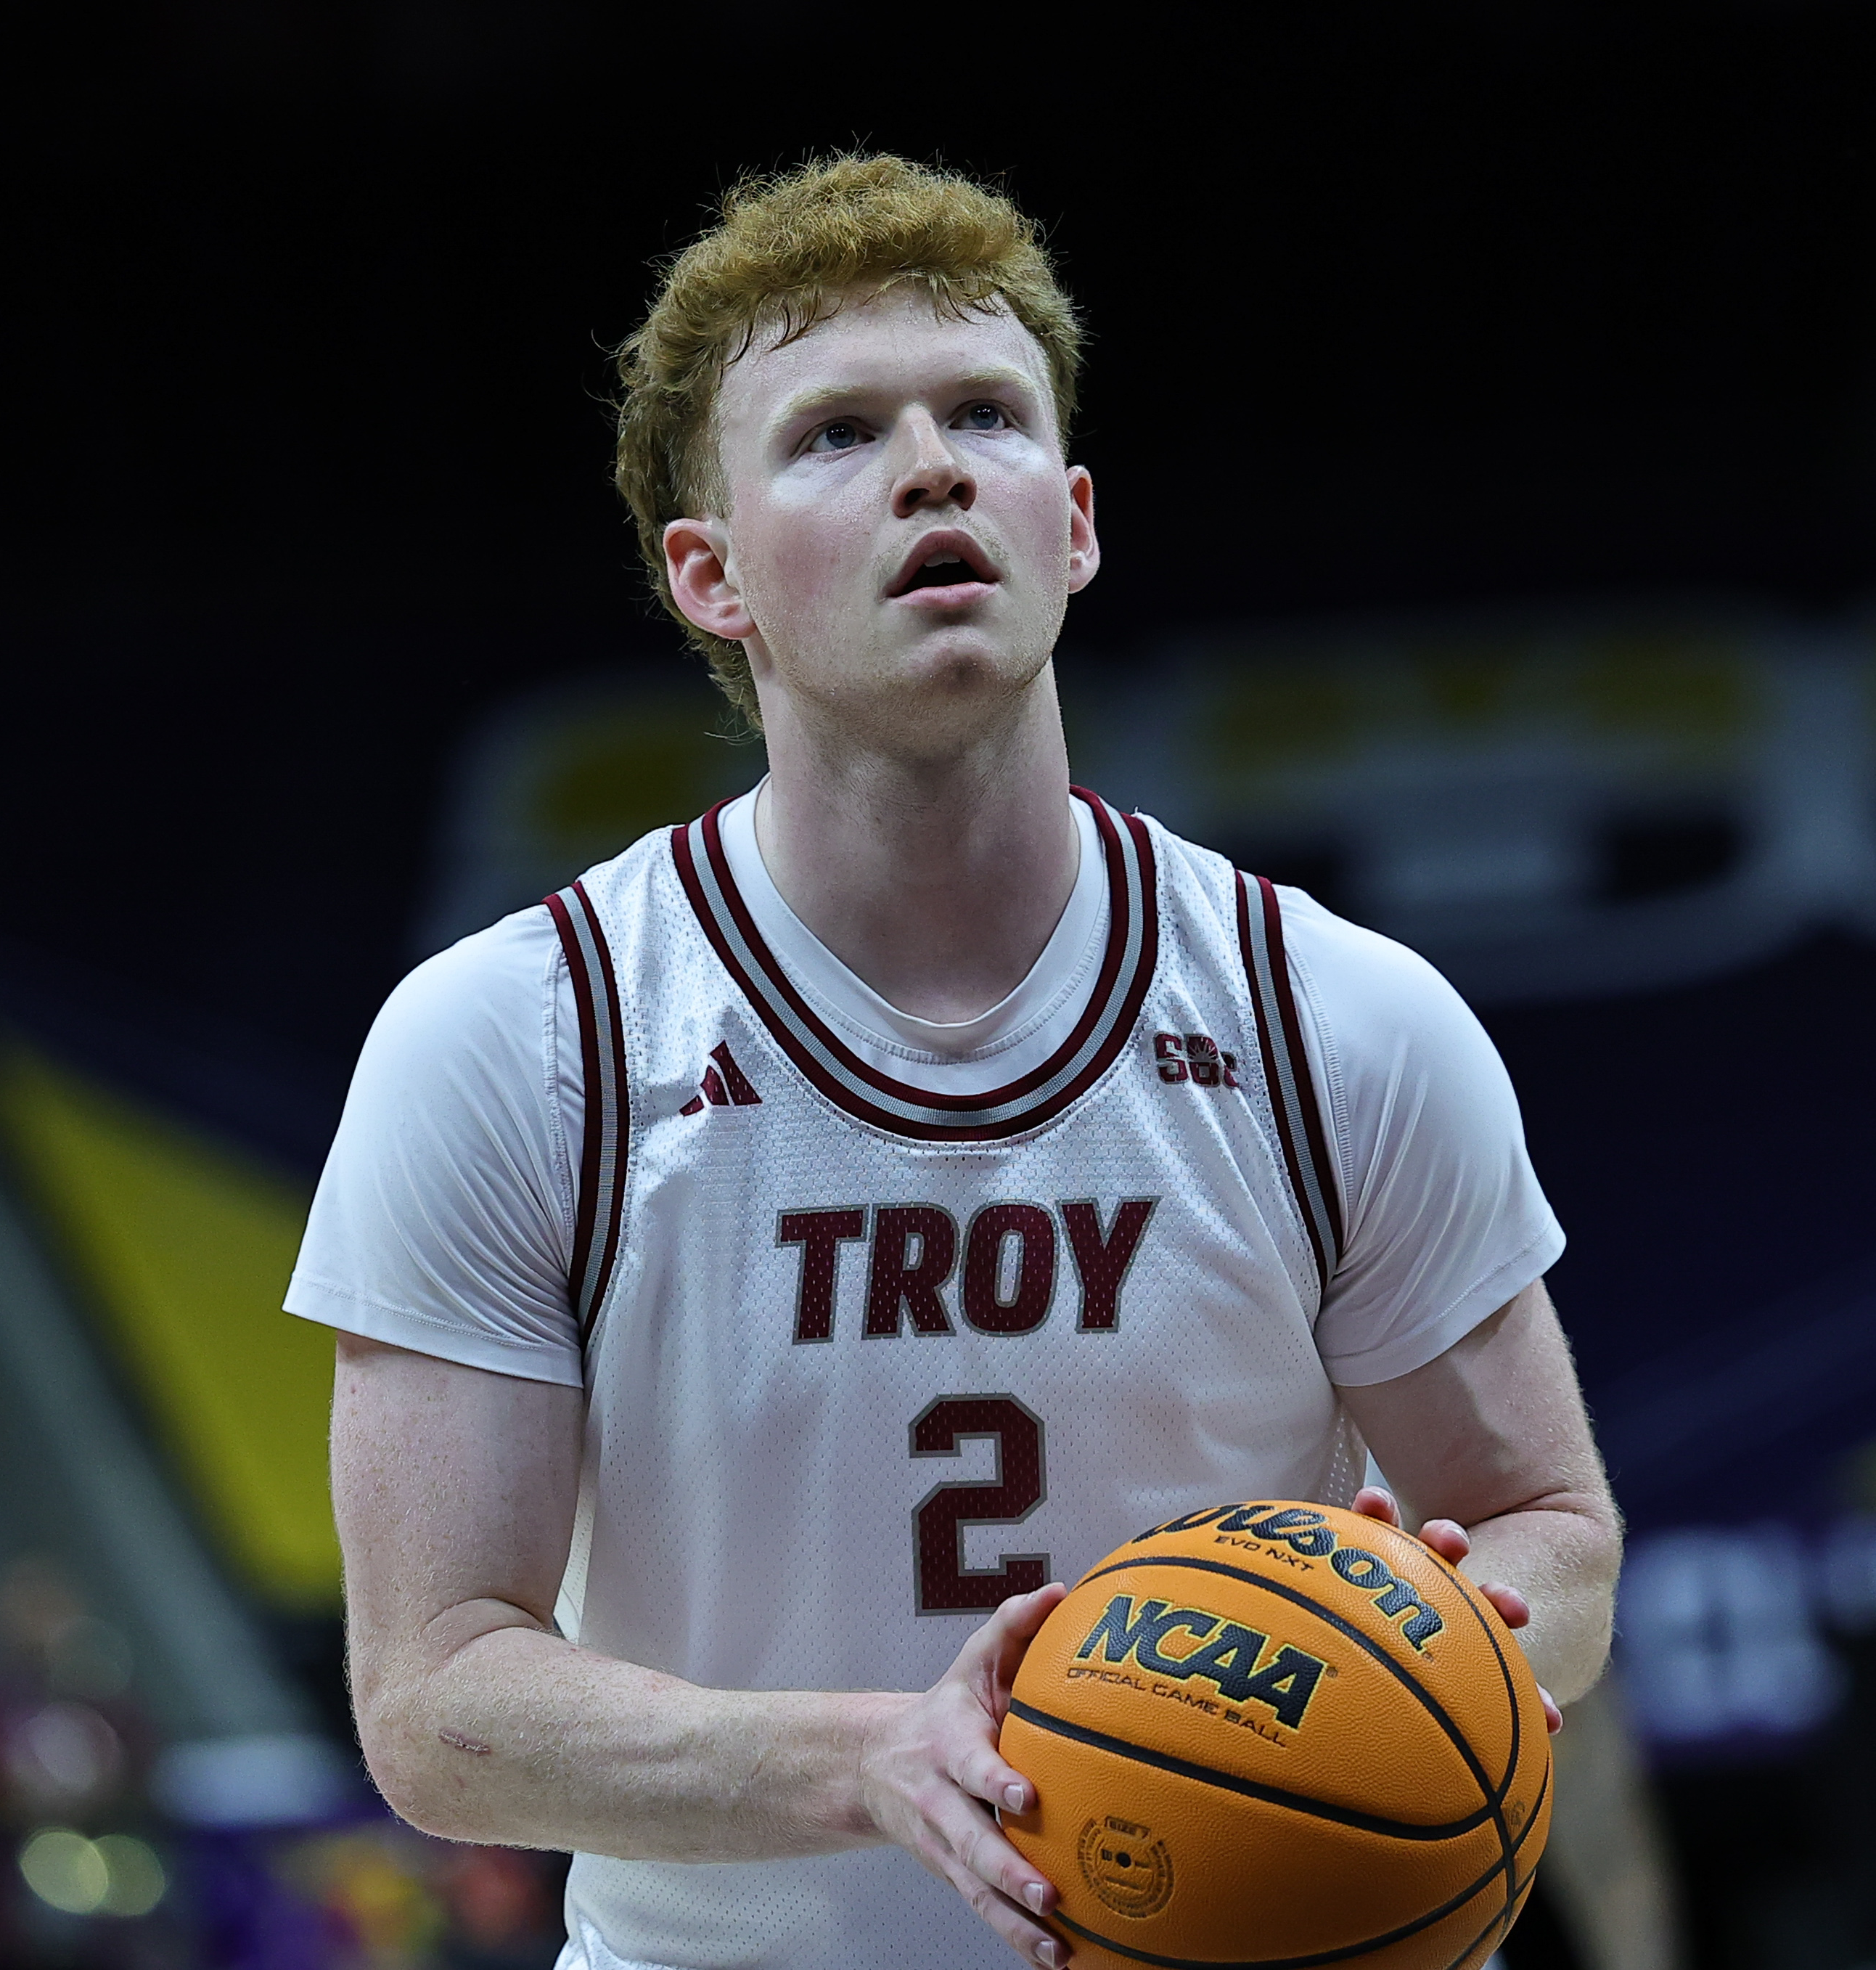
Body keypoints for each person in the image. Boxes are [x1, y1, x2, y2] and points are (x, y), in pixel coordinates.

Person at [289, 154, 1623, 1970]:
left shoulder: (1336, 1017)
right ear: (710, 574)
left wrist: (1404, 1663)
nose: (931, 464)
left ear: (1068, 524)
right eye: (835, 434)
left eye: (983, 415)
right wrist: (880, 1756)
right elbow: (437, 1699)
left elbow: (1551, 1529)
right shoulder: (515, 1042)